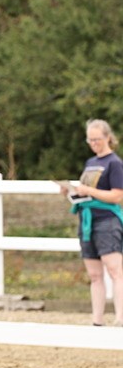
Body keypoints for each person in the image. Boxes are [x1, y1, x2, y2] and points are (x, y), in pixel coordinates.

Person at [60, 119, 123, 325]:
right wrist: (70, 192)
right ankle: (97, 319)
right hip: (88, 221)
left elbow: (117, 196)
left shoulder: (114, 164)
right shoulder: (90, 163)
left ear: (107, 138)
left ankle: (120, 317)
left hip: (107, 221)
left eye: (97, 139)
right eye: (90, 139)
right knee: (94, 274)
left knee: (115, 270)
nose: (93, 143)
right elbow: (85, 194)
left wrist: (90, 191)